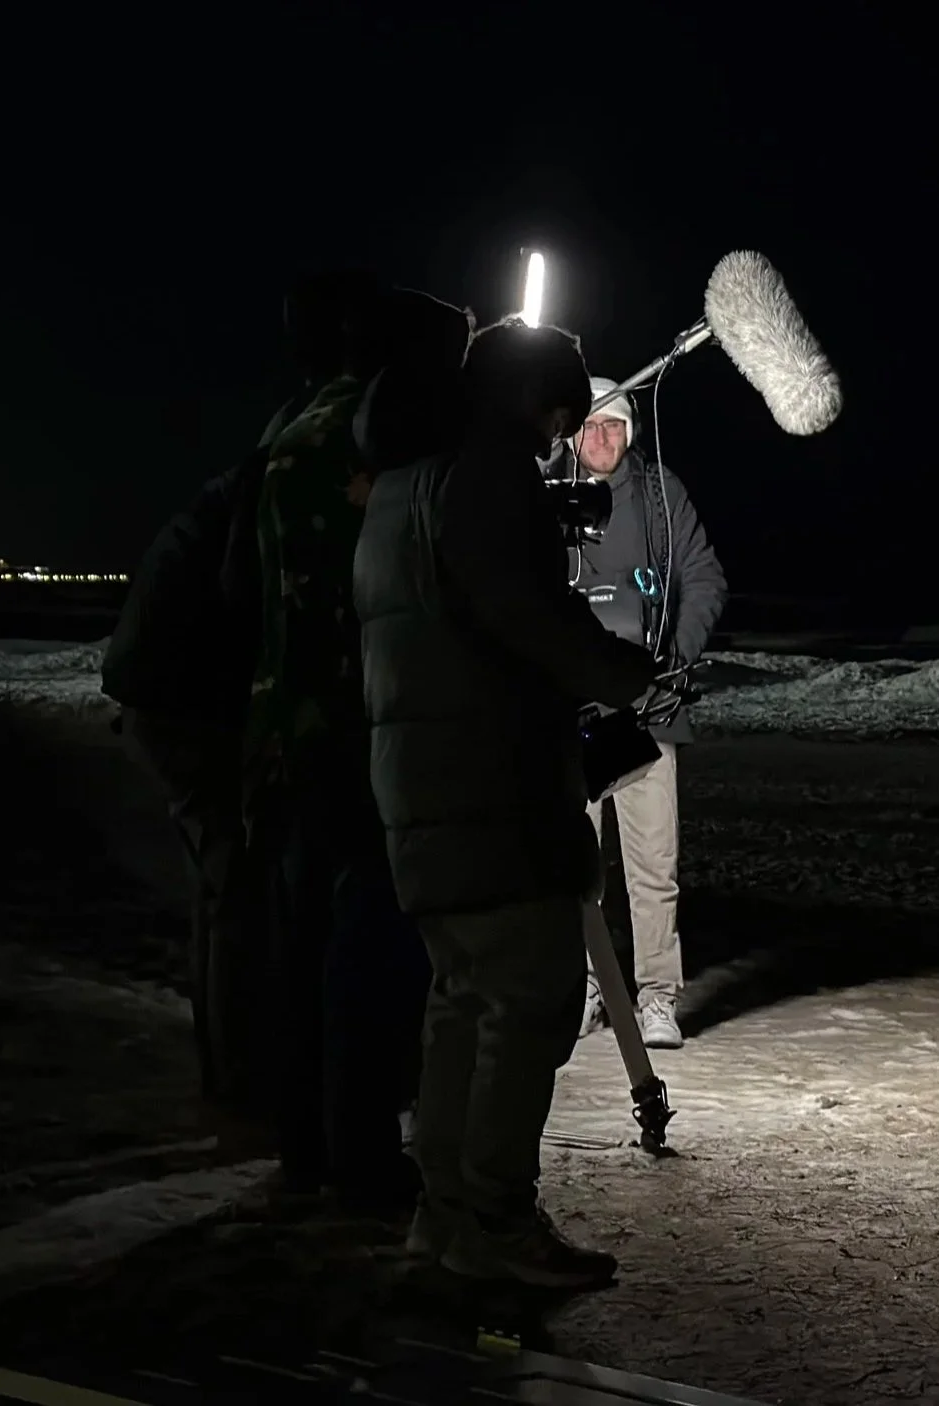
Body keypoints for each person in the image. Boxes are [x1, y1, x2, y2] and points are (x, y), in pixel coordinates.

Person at [354, 323, 661, 1290]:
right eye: (557, 415)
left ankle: (442, 1216)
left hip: (420, 785)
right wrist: (623, 673)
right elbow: (527, 616)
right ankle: (494, 1221)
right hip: (490, 788)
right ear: (532, 397)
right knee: (528, 1002)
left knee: (461, 1004)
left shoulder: (402, 482)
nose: (557, 439)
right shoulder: (485, 476)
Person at [99, 270, 384, 1122]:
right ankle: (241, 1089)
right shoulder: (318, 440)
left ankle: (238, 1077)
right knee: (235, 889)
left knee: (226, 887)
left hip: (161, 678)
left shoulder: (293, 427)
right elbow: (245, 587)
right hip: (180, 690)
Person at [243, 278, 467, 1210]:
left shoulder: (284, 433)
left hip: (285, 723)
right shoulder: (379, 440)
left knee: (300, 951)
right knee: (370, 951)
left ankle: (307, 1151)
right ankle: (366, 1156)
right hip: (362, 722)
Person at [566, 377, 728, 1049]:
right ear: (571, 433)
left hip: (648, 711)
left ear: (631, 432)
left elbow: (705, 578)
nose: (602, 439)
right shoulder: (550, 496)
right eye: (589, 427)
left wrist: (677, 661)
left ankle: (657, 995)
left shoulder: (662, 496)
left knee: (652, 866)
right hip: (569, 713)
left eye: (615, 427)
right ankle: (586, 988)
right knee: (572, 865)